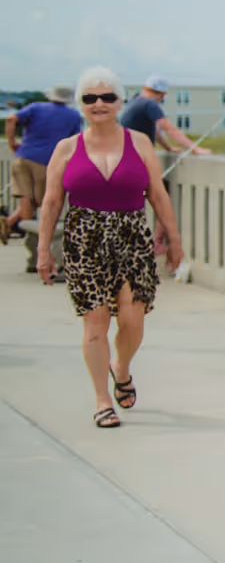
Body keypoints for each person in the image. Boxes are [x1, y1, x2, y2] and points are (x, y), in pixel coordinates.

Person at [36, 67, 183, 428]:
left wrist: (173, 237)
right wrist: (43, 250)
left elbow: (157, 194)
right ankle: (103, 400)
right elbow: (52, 202)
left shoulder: (140, 142)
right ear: (80, 105)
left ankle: (122, 367)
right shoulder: (67, 148)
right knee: (95, 323)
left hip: (132, 237)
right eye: (90, 98)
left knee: (133, 320)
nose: (99, 104)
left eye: (107, 97)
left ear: (120, 102)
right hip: (84, 241)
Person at [4, 84, 83, 270]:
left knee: (27, 200)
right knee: (35, 204)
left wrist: (12, 141)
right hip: (47, 162)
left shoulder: (35, 107)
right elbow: (76, 142)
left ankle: (8, 226)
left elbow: (10, 118)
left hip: (22, 157)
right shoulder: (72, 116)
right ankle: (37, 253)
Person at [121, 76, 212, 156]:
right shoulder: (150, 104)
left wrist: (169, 148)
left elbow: (156, 131)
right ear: (163, 94)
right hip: (135, 156)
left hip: (125, 153)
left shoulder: (135, 101)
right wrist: (195, 148)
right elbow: (170, 130)